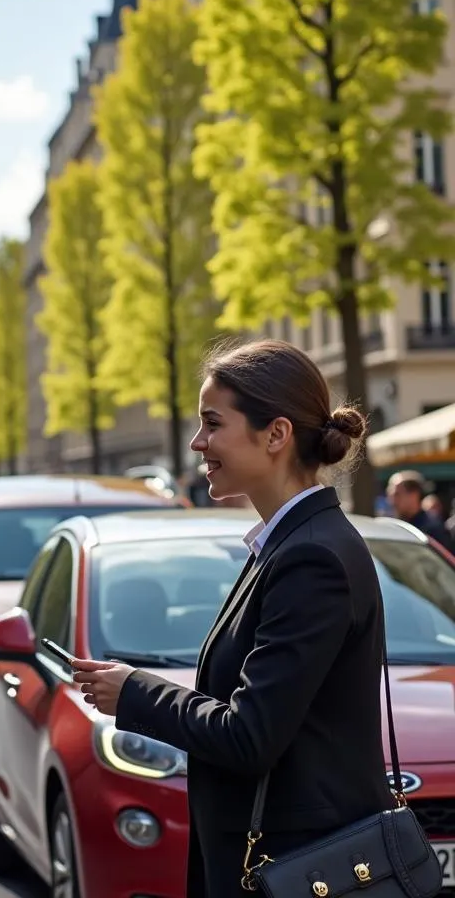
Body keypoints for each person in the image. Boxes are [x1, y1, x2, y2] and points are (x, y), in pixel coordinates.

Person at [72, 339, 392, 898]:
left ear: (276, 434)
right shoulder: (293, 545)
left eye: (212, 424)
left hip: (293, 869)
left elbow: (249, 735)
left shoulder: (308, 557)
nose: (197, 443)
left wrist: (134, 694)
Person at [386, 470, 455, 552]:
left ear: (414, 495)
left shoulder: (433, 529)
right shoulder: (393, 526)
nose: (392, 501)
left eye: (397, 494)